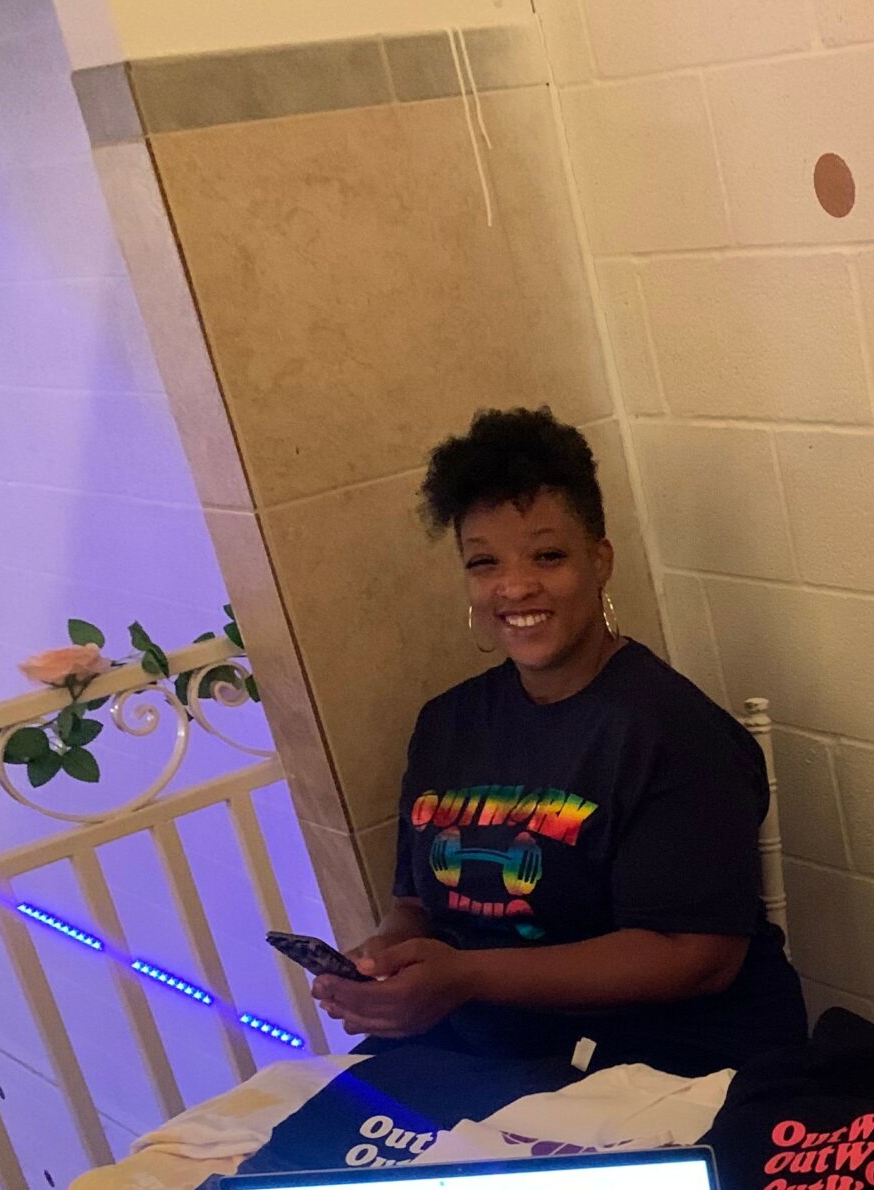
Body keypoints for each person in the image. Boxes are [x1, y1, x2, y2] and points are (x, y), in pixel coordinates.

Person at [313, 406, 805, 1074]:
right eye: (484, 562)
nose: (514, 586)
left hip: (667, 1053)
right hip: (491, 1042)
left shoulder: (672, 732)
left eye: (548, 555)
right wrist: (383, 962)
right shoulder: (445, 725)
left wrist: (466, 976)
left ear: (599, 561)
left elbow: (697, 959)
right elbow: (414, 901)